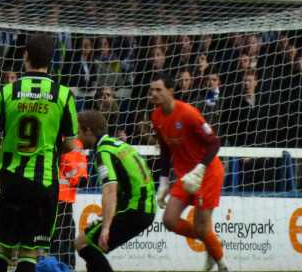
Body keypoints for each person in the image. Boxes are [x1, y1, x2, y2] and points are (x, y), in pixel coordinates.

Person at [0, 34, 79, 272]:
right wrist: (53, 153)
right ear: (52, 59)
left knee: (2, 248)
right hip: (43, 181)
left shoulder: (8, 91)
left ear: (25, 55)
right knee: (29, 251)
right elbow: (70, 143)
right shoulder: (63, 94)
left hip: (12, 179)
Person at [149, 73, 228, 272]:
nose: (153, 93)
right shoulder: (156, 116)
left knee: (202, 227)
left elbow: (214, 143)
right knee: (169, 220)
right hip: (185, 175)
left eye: (158, 89)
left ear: (171, 91)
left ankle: (221, 264)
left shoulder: (188, 113)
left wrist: (200, 169)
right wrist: (164, 182)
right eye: (151, 90)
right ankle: (212, 242)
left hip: (208, 172)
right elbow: (165, 150)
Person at [75, 110, 155, 272]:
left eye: (78, 131)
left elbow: (110, 190)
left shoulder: (104, 152)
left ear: (88, 130)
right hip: (145, 208)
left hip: (134, 210)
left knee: (83, 243)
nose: (76, 137)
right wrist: (107, 217)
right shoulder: (120, 145)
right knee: (92, 247)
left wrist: (106, 227)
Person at [51, 135, 88, 269]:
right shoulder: (71, 141)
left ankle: (62, 267)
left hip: (61, 196)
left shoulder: (71, 141)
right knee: (62, 235)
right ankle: (63, 267)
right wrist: (79, 178)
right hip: (60, 196)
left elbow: (78, 165)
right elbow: (75, 168)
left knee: (62, 235)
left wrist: (80, 177)